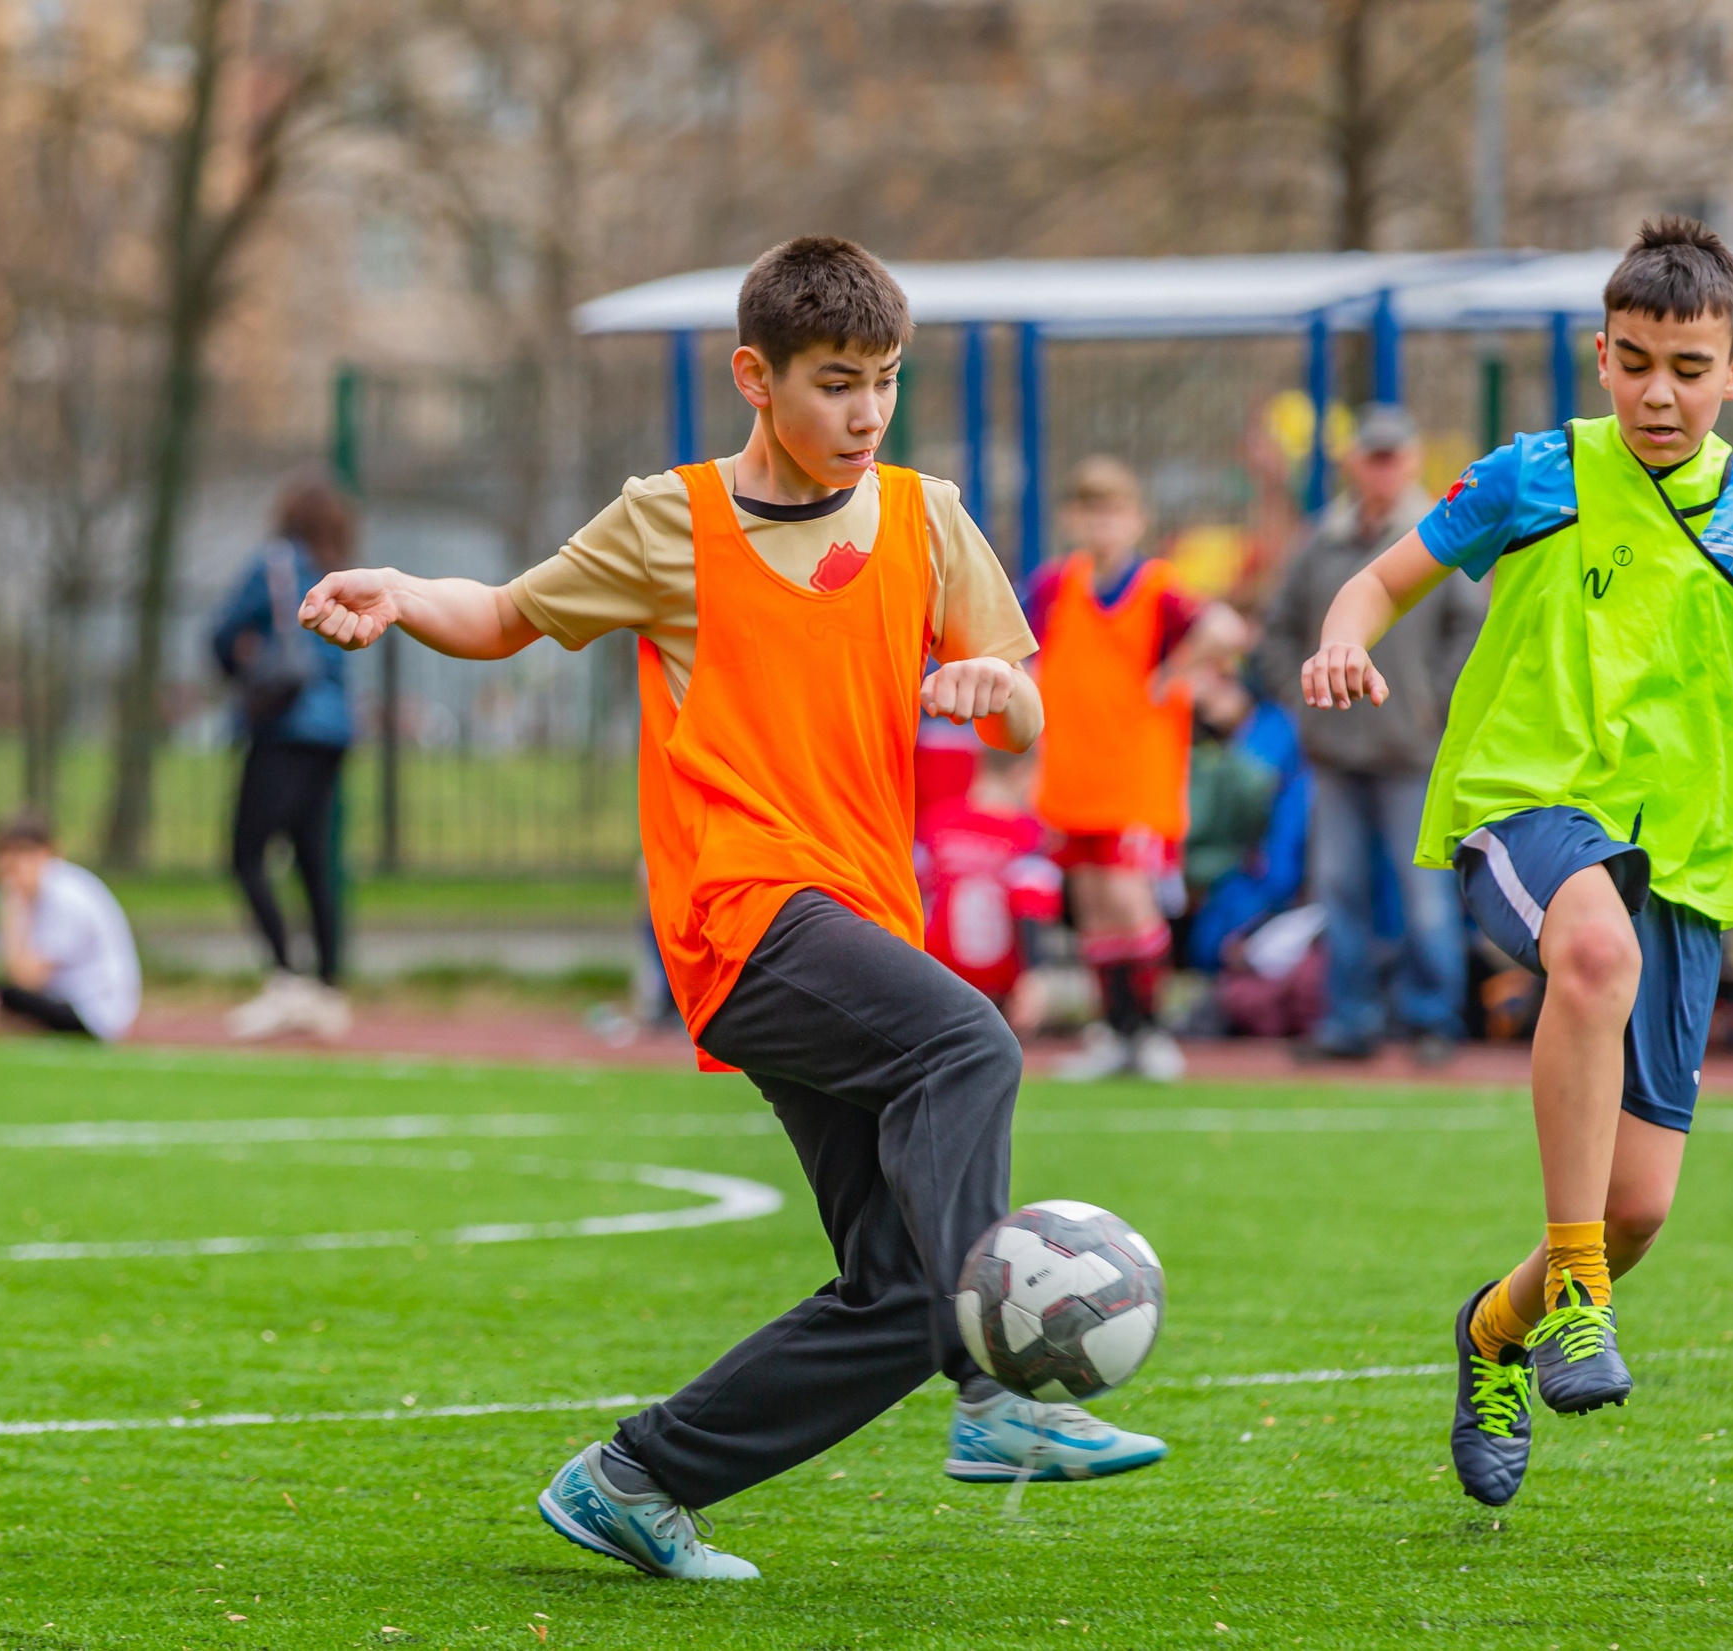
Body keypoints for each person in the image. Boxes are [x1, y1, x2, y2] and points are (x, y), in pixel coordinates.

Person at [295, 237, 1166, 1582]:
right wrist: (406, 594)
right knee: (971, 1045)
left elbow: (1018, 689)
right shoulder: (671, 520)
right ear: (755, 377)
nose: (865, 413)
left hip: (863, 922)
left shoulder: (930, 516)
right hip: (741, 915)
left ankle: (639, 1476)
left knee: (893, 1289)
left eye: (883, 382)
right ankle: (999, 1394)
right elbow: (511, 613)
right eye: (835, 384)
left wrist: (1001, 696)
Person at [1303, 219, 1733, 1507]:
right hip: (1521, 806)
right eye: (1634, 361)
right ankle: (1576, 1296)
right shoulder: (1537, 474)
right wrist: (1339, 637)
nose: (1658, 391)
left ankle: (1498, 1330)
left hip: (1680, 853)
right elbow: (1378, 581)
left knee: (1638, 1207)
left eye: (1688, 368)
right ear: (1598, 356)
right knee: (1591, 945)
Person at [1263, 404, 1486, 1061]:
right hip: (1334, 747)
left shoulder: (1438, 532)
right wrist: (1298, 701)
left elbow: (1470, 632)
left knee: (1425, 894)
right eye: (1372, 455)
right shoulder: (1321, 541)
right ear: (1354, 462)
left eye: (1394, 456)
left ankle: (1433, 1020)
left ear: (1413, 461)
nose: (1383, 468)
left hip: (1410, 749)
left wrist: (1434, 704)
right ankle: (1351, 1019)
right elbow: (1278, 631)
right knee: (1339, 890)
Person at [1027, 456, 1247, 1082]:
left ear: (1135, 518)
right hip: (1073, 775)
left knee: (1129, 900)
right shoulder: (1055, 585)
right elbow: (1017, 648)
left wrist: (1176, 672)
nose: (1102, 524)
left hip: (1136, 777)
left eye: (1114, 511)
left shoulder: (1158, 588)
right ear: (1073, 519)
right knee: (1094, 904)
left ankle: (1149, 1028)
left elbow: (1227, 628)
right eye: (1090, 511)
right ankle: (1114, 1032)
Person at [212, 478, 359, 1042]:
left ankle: (285, 980)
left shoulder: (274, 564)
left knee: (246, 855)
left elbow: (222, 635)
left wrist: (241, 670)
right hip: (334, 730)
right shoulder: (341, 572)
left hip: (284, 726)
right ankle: (328, 988)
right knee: (315, 860)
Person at [0, 810, 143, 1040]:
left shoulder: (65, 896)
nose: (14, 864)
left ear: (49, 854)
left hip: (91, 1010)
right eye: (5, 853)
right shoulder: (19, 895)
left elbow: (24, 977)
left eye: (24, 853)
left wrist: (14, 909)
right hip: (61, 998)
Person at [915, 747, 1063, 1033]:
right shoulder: (1027, 833)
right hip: (997, 987)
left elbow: (913, 890)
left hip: (936, 976)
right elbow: (1031, 909)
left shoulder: (937, 823)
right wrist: (1036, 974)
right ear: (1023, 773)